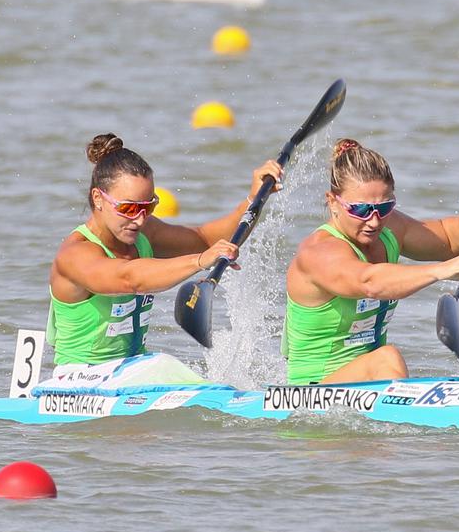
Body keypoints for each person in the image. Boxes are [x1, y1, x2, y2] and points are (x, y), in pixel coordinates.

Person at [44, 133, 282, 387]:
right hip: (76, 381)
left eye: (148, 206)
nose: (139, 219)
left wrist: (255, 199)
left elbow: (207, 238)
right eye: (129, 208)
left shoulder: (144, 233)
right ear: (98, 199)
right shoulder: (75, 254)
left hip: (128, 372)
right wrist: (200, 261)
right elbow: (129, 278)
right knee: (162, 366)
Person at [282, 139, 459, 385]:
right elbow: (369, 281)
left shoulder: (388, 229)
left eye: (384, 207)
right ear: (332, 201)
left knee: (447, 380)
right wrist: (441, 270)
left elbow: (449, 240)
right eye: (361, 210)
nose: (373, 221)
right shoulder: (318, 252)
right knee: (387, 358)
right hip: (310, 392)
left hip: (365, 384)